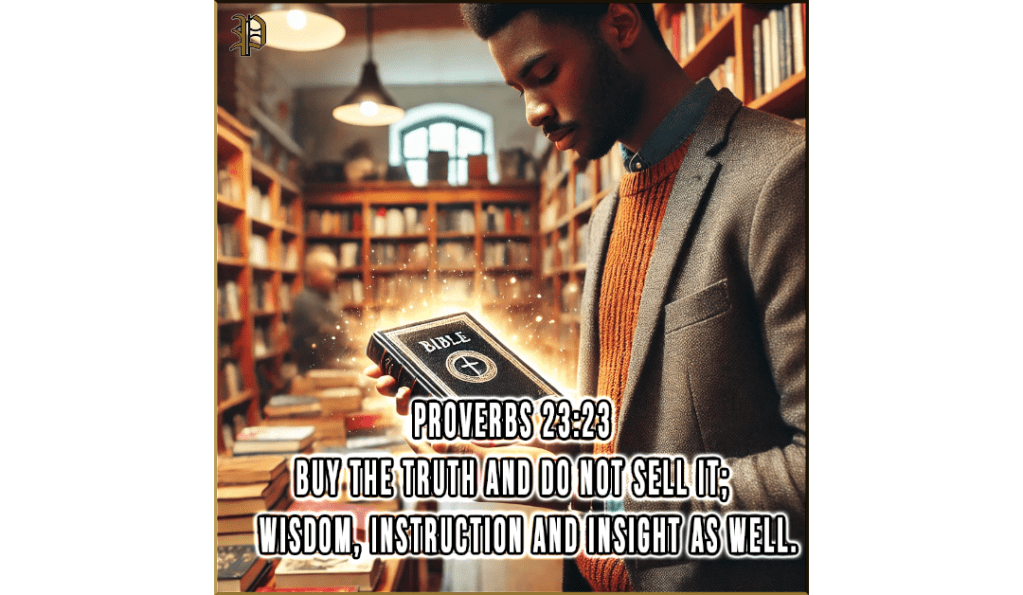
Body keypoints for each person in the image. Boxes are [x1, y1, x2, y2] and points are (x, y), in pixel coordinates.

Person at [367, 4, 806, 591]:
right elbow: (616, 444)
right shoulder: (605, 217)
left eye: (544, 74)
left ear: (620, 25)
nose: (533, 111)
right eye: (519, 90)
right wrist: (496, 447)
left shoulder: (782, 175)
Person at [291, 246, 344, 374]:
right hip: (314, 372)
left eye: (334, 271)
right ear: (314, 272)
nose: (333, 276)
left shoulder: (331, 297)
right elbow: (324, 335)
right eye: (329, 271)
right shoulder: (304, 301)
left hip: (332, 367)